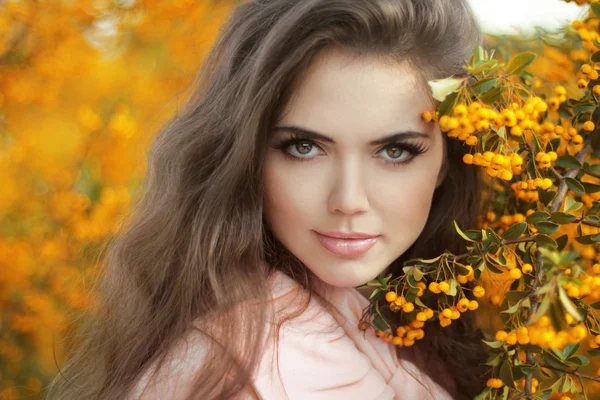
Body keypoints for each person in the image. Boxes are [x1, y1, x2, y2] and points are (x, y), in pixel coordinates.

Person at [44, 0, 490, 399]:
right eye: (303, 147)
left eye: (395, 151)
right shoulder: (231, 377)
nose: (348, 200)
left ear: (448, 161)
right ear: (246, 154)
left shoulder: (439, 328)